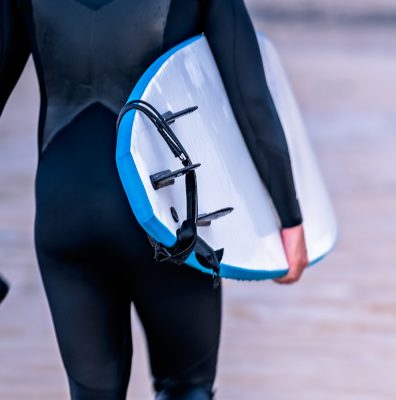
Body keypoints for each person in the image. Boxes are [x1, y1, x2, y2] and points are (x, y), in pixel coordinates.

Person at [0, 0, 309, 398]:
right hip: (167, 221)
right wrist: (290, 217)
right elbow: (250, 100)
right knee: (186, 387)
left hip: (65, 213)